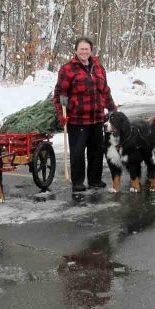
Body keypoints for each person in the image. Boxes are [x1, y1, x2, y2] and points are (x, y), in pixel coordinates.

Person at [53, 37, 117, 192]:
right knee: (78, 152)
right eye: (81, 49)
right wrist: (63, 113)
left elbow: (105, 91)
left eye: (86, 49)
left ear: (91, 50)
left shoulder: (99, 68)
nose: (84, 51)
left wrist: (112, 109)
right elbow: (60, 94)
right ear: (75, 51)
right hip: (77, 120)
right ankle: (78, 182)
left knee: (96, 151)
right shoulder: (67, 69)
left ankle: (95, 180)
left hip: (97, 118)